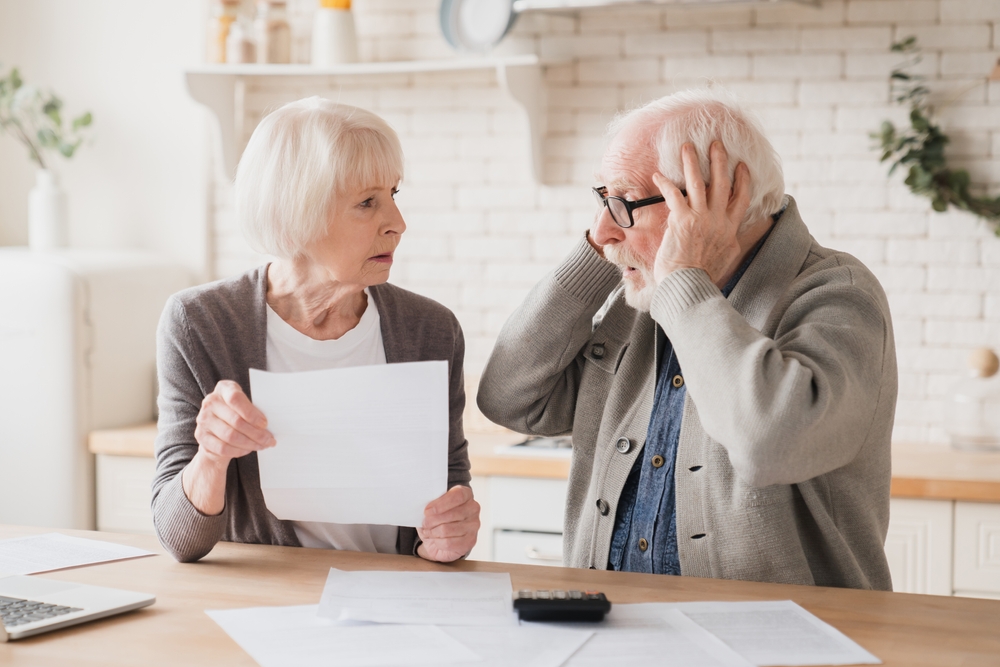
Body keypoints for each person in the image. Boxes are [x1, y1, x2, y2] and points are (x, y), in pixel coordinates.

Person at [477, 89, 897, 590]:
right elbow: (508, 399)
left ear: (718, 200)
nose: (602, 229)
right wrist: (599, 257)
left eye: (625, 202)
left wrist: (684, 283)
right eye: (602, 199)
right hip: (613, 631)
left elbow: (772, 445)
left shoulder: (837, 293)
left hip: (775, 643)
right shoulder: (643, 299)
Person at [152, 98, 479, 564]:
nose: (398, 224)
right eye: (367, 202)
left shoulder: (431, 330)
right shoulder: (200, 323)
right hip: (267, 605)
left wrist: (451, 533)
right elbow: (178, 540)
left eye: (393, 195)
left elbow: (448, 490)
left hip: (398, 599)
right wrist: (212, 456)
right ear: (295, 213)